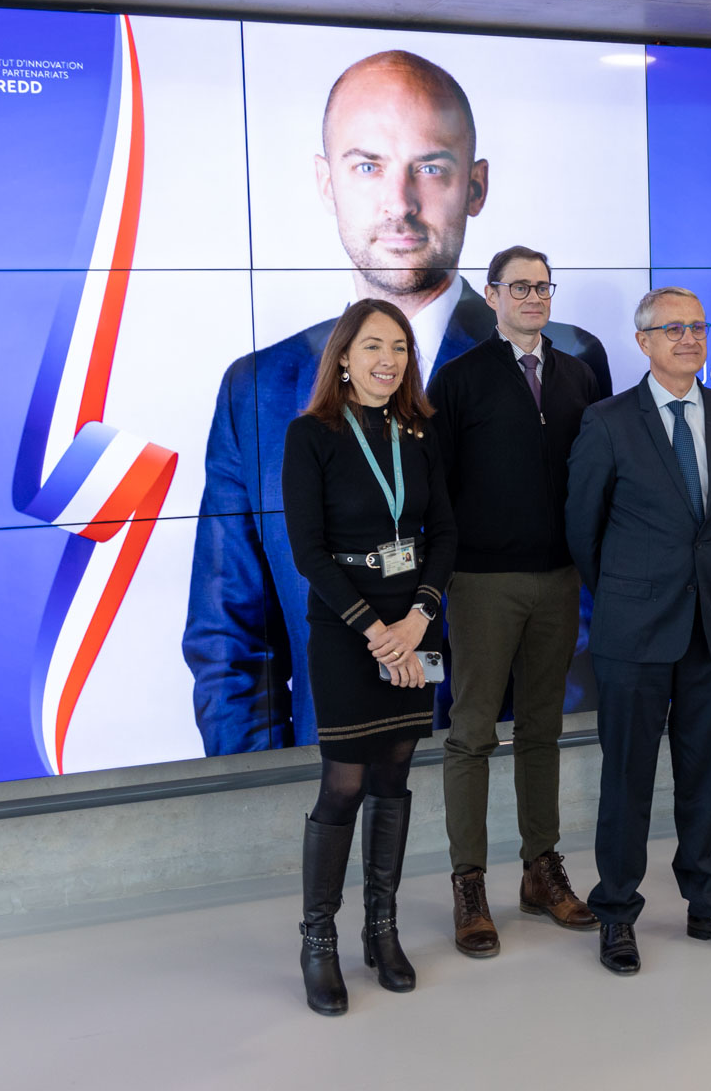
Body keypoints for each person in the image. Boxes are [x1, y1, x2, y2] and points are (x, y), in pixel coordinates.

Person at [186, 50, 612, 756]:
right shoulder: (258, 390)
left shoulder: (566, 362)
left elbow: (585, 596)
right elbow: (230, 641)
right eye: (367, 166)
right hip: (335, 765)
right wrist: (266, 797)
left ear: (475, 185)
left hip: (503, 765)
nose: (400, 203)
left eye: (431, 168)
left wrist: (539, 757)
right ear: (326, 182)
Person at [565, 286, 711, 976]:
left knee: (704, 776)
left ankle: (708, 904)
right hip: (634, 630)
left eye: (698, 327)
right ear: (644, 342)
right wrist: (628, 594)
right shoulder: (607, 421)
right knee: (627, 778)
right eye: (673, 329)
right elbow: (583, 530)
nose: (689, 339)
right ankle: (616, 911)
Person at [282, 299, 455, 1015]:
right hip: (348, 631)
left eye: (400, 347)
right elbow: (309, 552)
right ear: (345, 357)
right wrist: (377, 632)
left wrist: (417, 619)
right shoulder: (311, 434)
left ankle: (381, 929)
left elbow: (444, 534)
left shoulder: (420, 430)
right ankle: (318, 939)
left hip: (414, 626)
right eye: (374, 346)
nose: (389, 359)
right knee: (344, 784)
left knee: (395, 774)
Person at [427, 245, 601, 957]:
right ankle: (469, 884)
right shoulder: (459, 378)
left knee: (541, 730)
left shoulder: (579, 375)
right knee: (471, 734)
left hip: (559, 581)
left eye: (543, 286)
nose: (533, 297)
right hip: (480, 583)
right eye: (519, 286)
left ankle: (540, 870)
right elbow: (436, 487)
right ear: (492, 294)